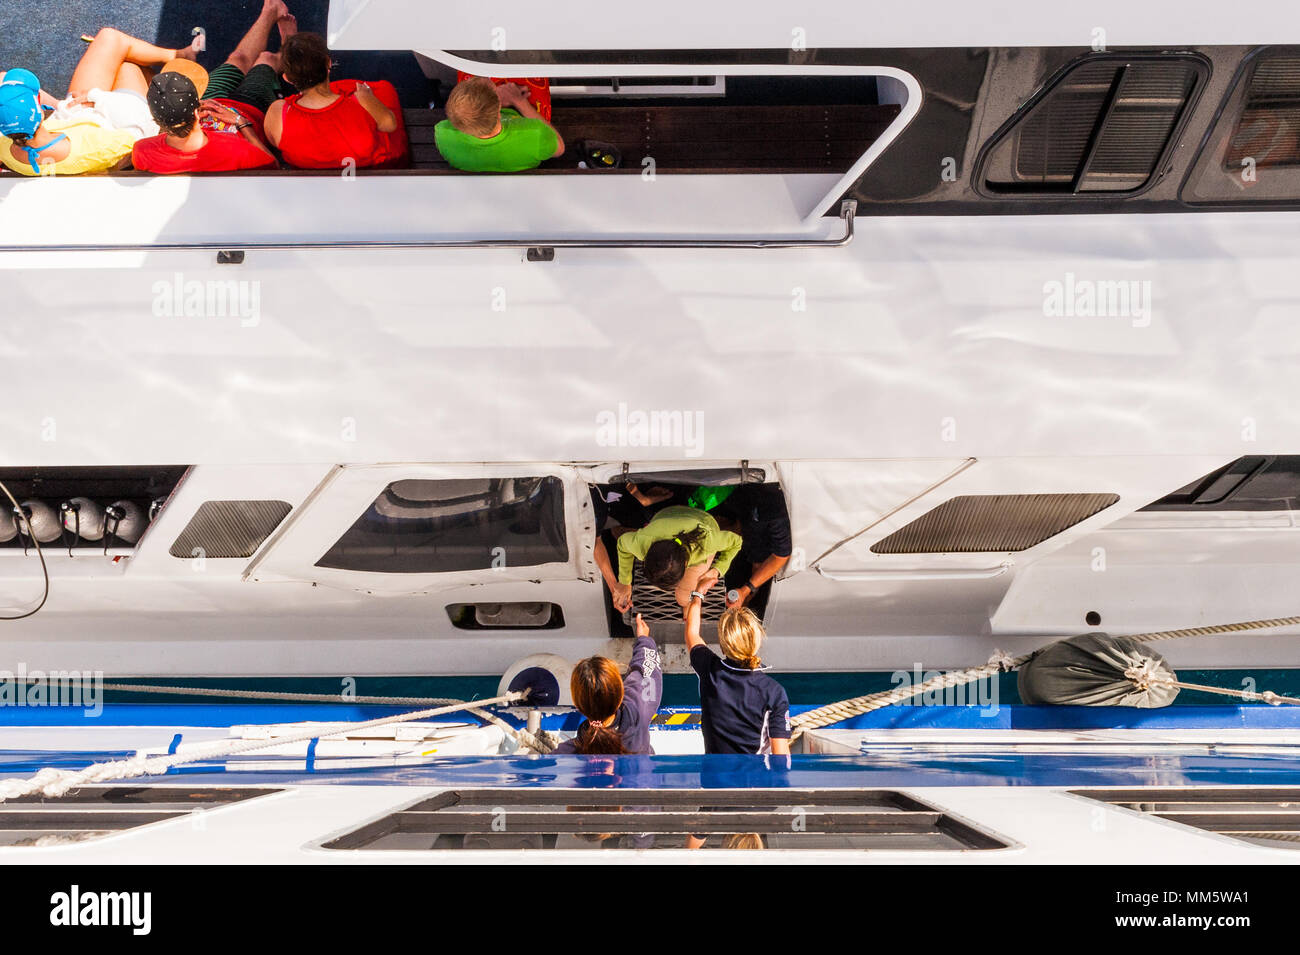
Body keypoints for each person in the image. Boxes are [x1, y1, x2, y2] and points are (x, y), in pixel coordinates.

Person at [1, 28, 198, 176]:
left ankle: (177, 56)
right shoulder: (98, 148)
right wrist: (98, 98)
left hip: (70, 114)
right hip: (114, 117)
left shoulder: (4, 147)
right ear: (39, 108)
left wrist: (64, 107)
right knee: (126, 64)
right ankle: (177, 56)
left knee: (3, 78)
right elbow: (138, 136)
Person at [133, 0, 294, 174]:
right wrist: (241, 122)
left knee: (238, 59)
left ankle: (270, 11)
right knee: (266, 59)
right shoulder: (235, 150)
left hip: (214, 100)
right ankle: (291, 46)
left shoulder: (142, 151)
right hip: (249, 109)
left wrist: (180, 113)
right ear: (195, 110)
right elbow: (271, 165)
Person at [263, 31, 408, 169]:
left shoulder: (278, 113)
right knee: (385, 90)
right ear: (329, 63)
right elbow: (390, 124)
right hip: (363, 180)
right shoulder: (362, 101)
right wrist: (367, 96)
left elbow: (273, 140)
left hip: (308, 187)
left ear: (287, 78)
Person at [684, 600, 791, 756]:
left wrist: (698, 595)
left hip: (713, 779)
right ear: (757, 641)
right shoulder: (774, 692)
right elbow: (781, 758)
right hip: (754, 779)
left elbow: (691, 633)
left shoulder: (709, 670)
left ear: (723, 646)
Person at [553, 613, 662, 755]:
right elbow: (647, 670)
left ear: (578, 706)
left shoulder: (565, 754)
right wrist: (644, 640)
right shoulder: (638, 709)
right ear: (621, 694)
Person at [614, 505, 742, 609]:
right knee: (685, 595)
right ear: (647, 554)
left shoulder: (707, 541)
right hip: (667, 512)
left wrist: (717, 570)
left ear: (686, 564)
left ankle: (686, 605)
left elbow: (737, 542)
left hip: (703, 521)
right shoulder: (642, 543)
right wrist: (625, 582)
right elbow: (622, 544)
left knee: (684, 598)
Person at [434, 75, 564, 172]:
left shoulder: (443, 133)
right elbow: (559, 149)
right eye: (495, 91)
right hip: (519, 119)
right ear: (499, 109)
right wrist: (518, 101)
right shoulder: (535, 133)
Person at [712, 484, 793, 609]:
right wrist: (746, 590)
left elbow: (779, 556)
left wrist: (747, 590)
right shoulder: (770, 511)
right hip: (753, 494)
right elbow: (781, 555)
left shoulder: (774, 516)